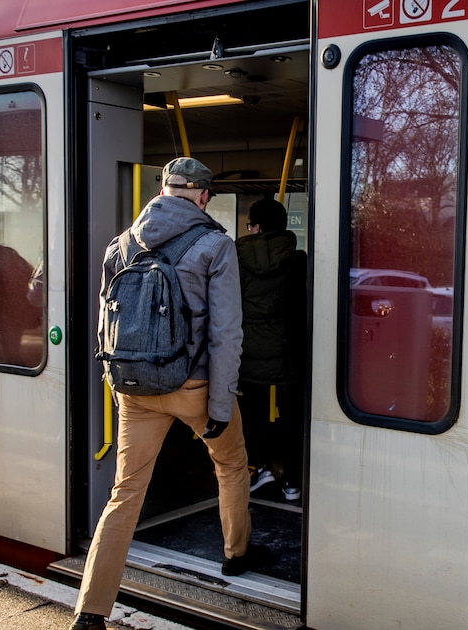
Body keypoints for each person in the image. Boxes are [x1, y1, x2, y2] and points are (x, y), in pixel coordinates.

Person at [71, 158, 266, 630]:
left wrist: (120, 388)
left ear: (163, 191)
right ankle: (234, 553)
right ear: (202, 195)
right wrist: (219, 406)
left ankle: (91, 611)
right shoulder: (215, 245)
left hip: (135, 391)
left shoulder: (120, 244)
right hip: (194, 385)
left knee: (126, 492)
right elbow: (226, 333)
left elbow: (106, 324)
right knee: (231, 464)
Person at [236, 198, 307, 501]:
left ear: (257, 226)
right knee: (292, 419)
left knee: (252, 417)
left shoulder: (235, 260)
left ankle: (261, 468)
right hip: (290, 356)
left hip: (248, 358)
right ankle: (292, 480)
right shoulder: (299, 260)